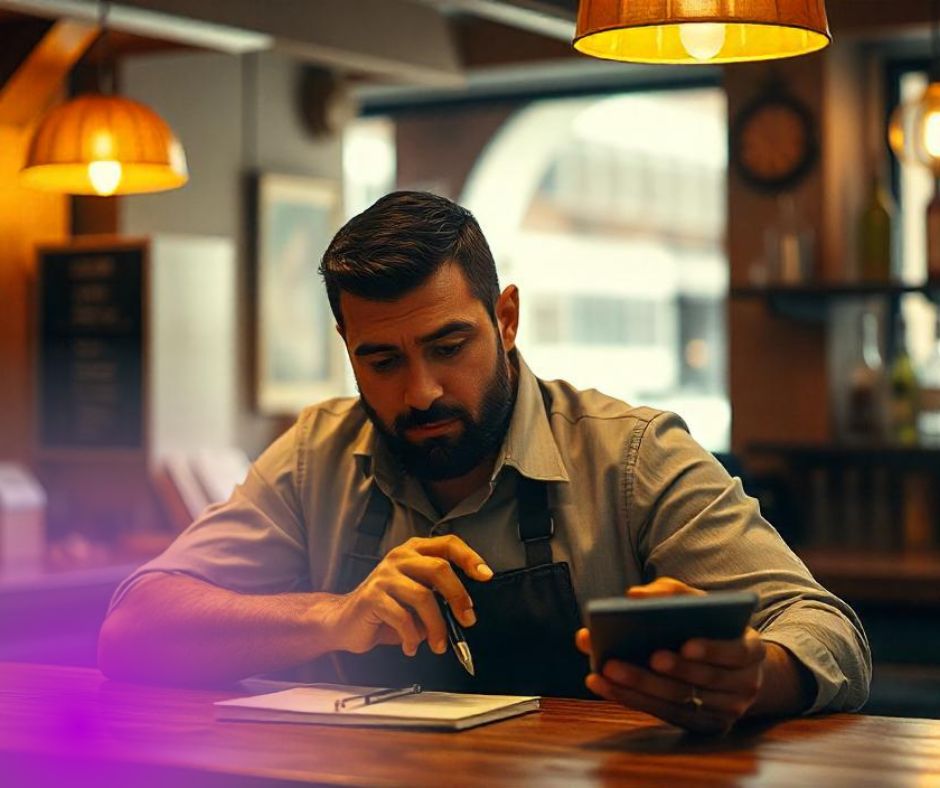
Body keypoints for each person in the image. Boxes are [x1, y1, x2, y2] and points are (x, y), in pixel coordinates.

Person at [99, 192, 870, 734]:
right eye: (382, 360)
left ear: (505, 317)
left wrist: (754, 675)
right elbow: (135, 624)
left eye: (447, 347)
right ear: (348, 353)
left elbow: (829, 631)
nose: (422, 391)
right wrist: (333, 616)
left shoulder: (630, 455)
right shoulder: (317, 457)